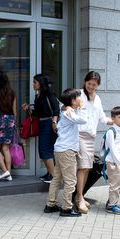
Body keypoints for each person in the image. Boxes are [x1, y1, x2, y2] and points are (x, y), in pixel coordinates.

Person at [44, 88, 86, 217]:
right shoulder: (69, 112)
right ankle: (66, 208)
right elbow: (83, 120)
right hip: (66, 151)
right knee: (70, 180)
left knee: (57, 178)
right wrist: (82, 107)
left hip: (61, 149)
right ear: (73, 100)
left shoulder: (66, 109)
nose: (81, 98)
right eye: (79, 96)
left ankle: (50, 205)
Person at [75, 71, 113, 214]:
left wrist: (115, 121)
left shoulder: (97, 99)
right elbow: (65, 108)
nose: (91, 86)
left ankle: (80, 196)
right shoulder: (78, 94)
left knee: (87, 168)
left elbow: (102, 118)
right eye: (89, 83)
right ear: (85, 82)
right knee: (83, 167)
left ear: (98, 85)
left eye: (94, 85)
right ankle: (79, 198)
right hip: (79, 135)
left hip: (91, 137)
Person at [21, 74, 59, 183]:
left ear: (41, 84)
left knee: (45, 149)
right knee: (46, 150)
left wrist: (54, 121)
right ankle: (50, 173)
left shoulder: (49, 94)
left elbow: (56, 109)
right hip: (42, 123)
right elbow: (37, 112)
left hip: (49, 123)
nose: (33, 84)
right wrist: (28, 108)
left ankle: (54, 176)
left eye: (35, 82)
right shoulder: (38, 96)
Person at [0, 71, 17, 181]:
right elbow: (15, 111)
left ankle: (5, 171)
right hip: (10, 120)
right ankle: (8, 174)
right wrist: (14, 124)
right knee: (6, 148)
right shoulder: (12, 92)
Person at [103, 106, 120, 215]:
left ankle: (112, 201)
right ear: (113, 119)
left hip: (119, 162)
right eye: (119, 117)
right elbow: (113, 149)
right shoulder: (111, 131)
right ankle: (111, 206)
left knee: (119, 184)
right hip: (113, 162)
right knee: (115, 185)